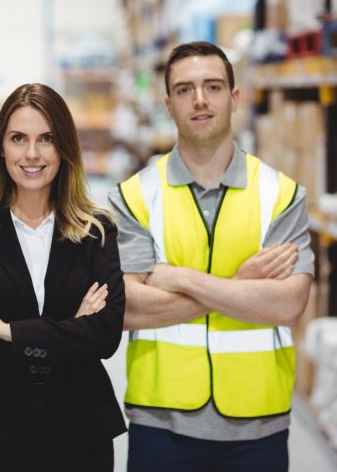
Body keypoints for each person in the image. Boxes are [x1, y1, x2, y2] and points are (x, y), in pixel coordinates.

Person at [107, 41, 314, 471]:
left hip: (258, 424)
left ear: (235, 98)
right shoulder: (135, 196)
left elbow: (288, 303)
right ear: (168, 104)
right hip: (160, 422)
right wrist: (242, 288)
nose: (200, 100)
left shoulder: (280, 195)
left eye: (213, 87)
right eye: (185, 90)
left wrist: (178, 278)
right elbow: (128, 307)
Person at [0, 83, 127, 472]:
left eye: (47, 139)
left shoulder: (96, 231)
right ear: (0, 148)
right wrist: (70, 330)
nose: (32, 154)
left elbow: (105, 336)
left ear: (65, 149)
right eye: (18, 138)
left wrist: (8, 331)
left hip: (80, 433)